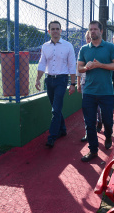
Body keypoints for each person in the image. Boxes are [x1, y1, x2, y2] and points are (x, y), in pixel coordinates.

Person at [78, 20, 114, 162]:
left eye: (95, 29)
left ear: (101, 31)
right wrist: (87, 67)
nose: (93, 31)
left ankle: (108, 135)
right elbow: (79, 68)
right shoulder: (84, 49)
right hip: (89, 92)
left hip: (106, 91)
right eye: (91, 29)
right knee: (90, 123)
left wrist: (100, 65)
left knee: (107, 120)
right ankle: (93, 150)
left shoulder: (109, 47)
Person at [35, 20, 76, 148]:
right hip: (49, 80)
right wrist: (38, 79)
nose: (55, 31)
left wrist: (73, 83)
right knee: (56, 108)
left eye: (57, 29)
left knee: (55, 110)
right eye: (52, 29)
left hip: (61, 80)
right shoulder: (45, 46)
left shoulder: (68, 46)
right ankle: (63, 130)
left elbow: (71, 65)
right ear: (49, 31)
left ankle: (52, 136)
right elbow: (42, 63)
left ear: (61, 30)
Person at [77, 31, 102, 142]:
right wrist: (78, 84)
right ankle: (88, 133)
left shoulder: (98, 51)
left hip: (96, 85)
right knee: (87, 110)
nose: (88, 39)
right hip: (84, 84)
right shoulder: (83, 50)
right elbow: (78, 69)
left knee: (97, 108)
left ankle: (100, 120)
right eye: (87, 38)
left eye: (89, 38)